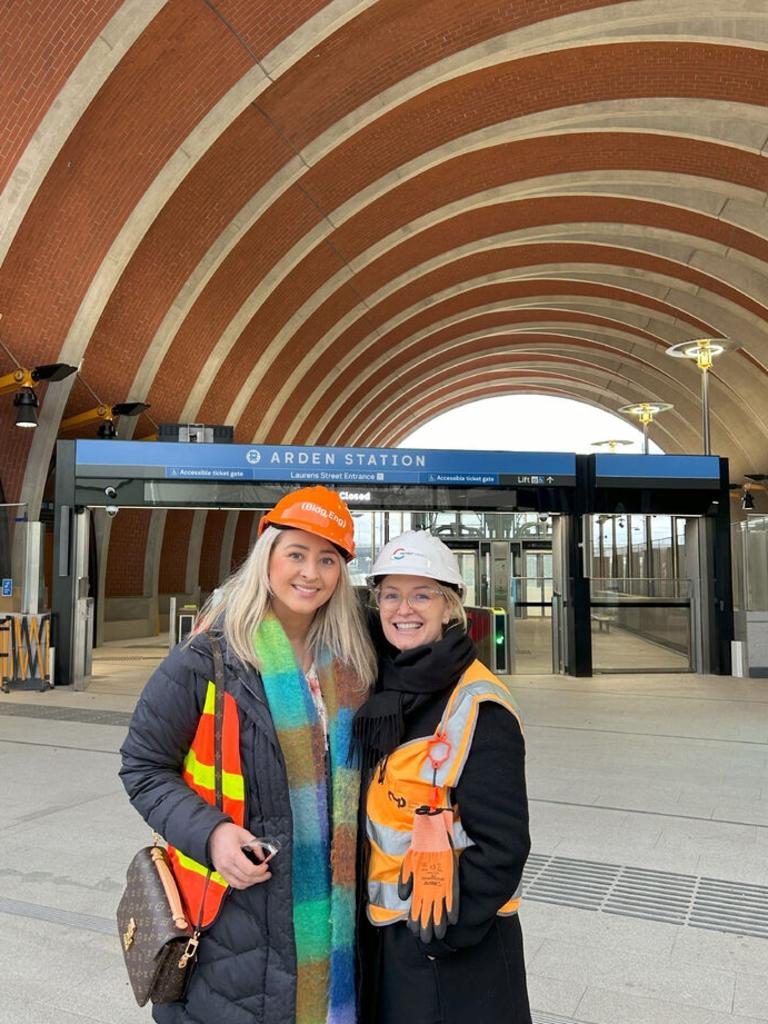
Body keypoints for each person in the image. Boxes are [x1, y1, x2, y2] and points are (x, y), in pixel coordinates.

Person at [120, 486, 376, 1024]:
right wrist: (211, 835)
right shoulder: (208, 658)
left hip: (333, 928)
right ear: (267, 558)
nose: (311, 572)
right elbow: (143, 766)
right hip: (229, 932)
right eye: (297, 554)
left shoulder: (352, 665)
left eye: (328, 559)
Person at [352, 530, 532, 1024]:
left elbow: (503, 847)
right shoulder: (386, 688)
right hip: (389, 936)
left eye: (421, 595)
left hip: (452, 953)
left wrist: (439, 939)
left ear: (450, 608)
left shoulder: (478, 706)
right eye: (391, 594)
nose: (403, 608)